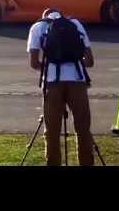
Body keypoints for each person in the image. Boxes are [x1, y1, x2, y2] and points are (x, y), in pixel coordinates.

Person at [27, 9, 95, 166]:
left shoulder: (37, 27)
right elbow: (90, 61)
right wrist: (72, 62)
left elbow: (34, 63)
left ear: (44, 16)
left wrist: (53, 63)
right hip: (77, 81)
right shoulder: (75, 24)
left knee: (52, 132)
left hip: (52, 83)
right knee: (83, 129)